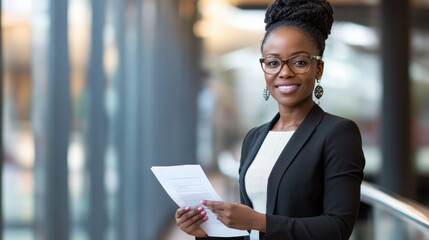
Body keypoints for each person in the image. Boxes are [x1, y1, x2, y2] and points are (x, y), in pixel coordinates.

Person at [175, 0, 365, 239]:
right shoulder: (254, 137)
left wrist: (258, 221)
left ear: (318, 68)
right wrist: (202, 233)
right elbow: (250, 234)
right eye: (273, 62)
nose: (284, 72)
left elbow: (338, 228)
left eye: (299, 62)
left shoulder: (337, 133)